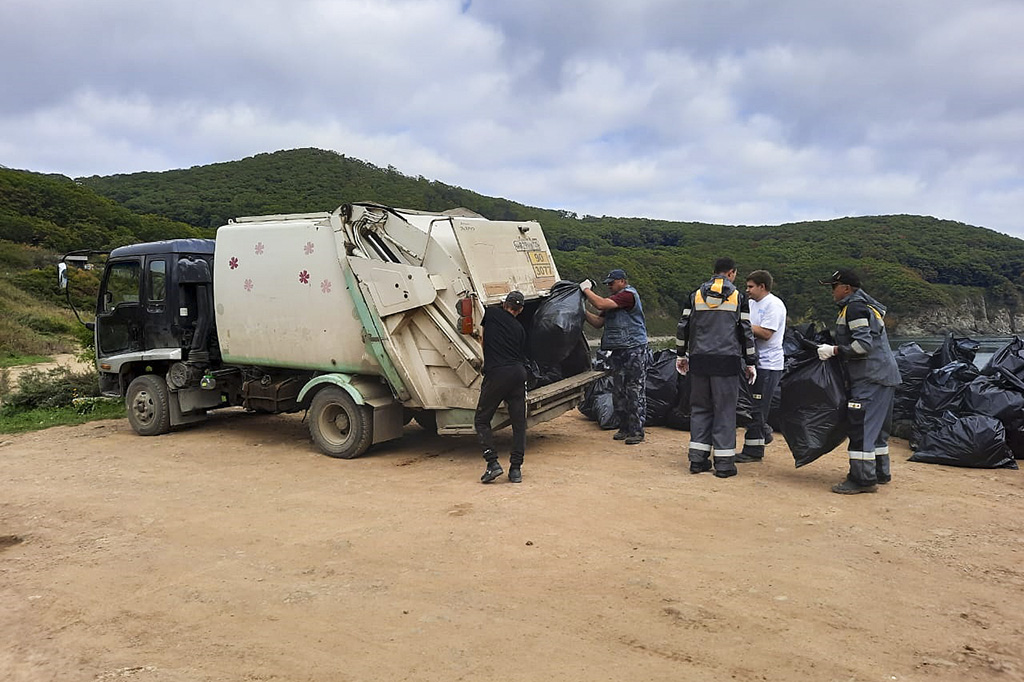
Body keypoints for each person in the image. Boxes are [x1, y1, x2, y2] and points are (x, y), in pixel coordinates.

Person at [817, 269, 901, 494]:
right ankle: (880, 472)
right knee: (879, 429)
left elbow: (862, 346)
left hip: (870, 377)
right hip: (884, 376)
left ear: (846, 288)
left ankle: (862, 480)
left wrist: (833, 350)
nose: (831, 291)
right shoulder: (865, 306)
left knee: (862, 427)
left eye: (833, 286)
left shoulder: (854, 308)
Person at [675, 258, 757, 478]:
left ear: (714, 273)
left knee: (700, 409)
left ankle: (697, 460)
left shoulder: (695, 295)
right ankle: (724, 465)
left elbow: (683, 327)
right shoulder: (738, 297)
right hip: (726, 362)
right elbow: (746, 332)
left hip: (700, 360)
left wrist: (681, 355)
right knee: (725, 411)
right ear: (731, 273)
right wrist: (750, 362)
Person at [581, 268, 650, 445]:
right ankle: (624, 427)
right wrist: (580, 311)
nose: (610, 286)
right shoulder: (613, 301)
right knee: (618, 390)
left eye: (612, 283)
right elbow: (598, 322)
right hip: (618, 349)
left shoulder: (627, 296)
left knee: (634, 389)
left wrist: (586, 290)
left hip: (634, 348)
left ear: (622, 281)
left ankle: (636, 430)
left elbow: (601, 304)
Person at [475, 290, 529, 484]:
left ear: (505, 304)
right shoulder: (520, 329)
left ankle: (492, 463)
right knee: (518, 423)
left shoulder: (491, 313)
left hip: (497, 374)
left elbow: (481, 338)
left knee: (482, 420)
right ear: (520, 310)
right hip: (518, 374)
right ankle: (515, 470)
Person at [736, 270, 787, 463]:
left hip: (768, 364)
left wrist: (742, 324)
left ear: (762, 286)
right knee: (751, 405)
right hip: (752, 362)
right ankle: (763, 433)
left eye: (750, 287)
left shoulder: (773, 305)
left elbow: (766, 333)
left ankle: (754, 449)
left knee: (758, 406)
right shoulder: (751, 304)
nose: (747, 290)